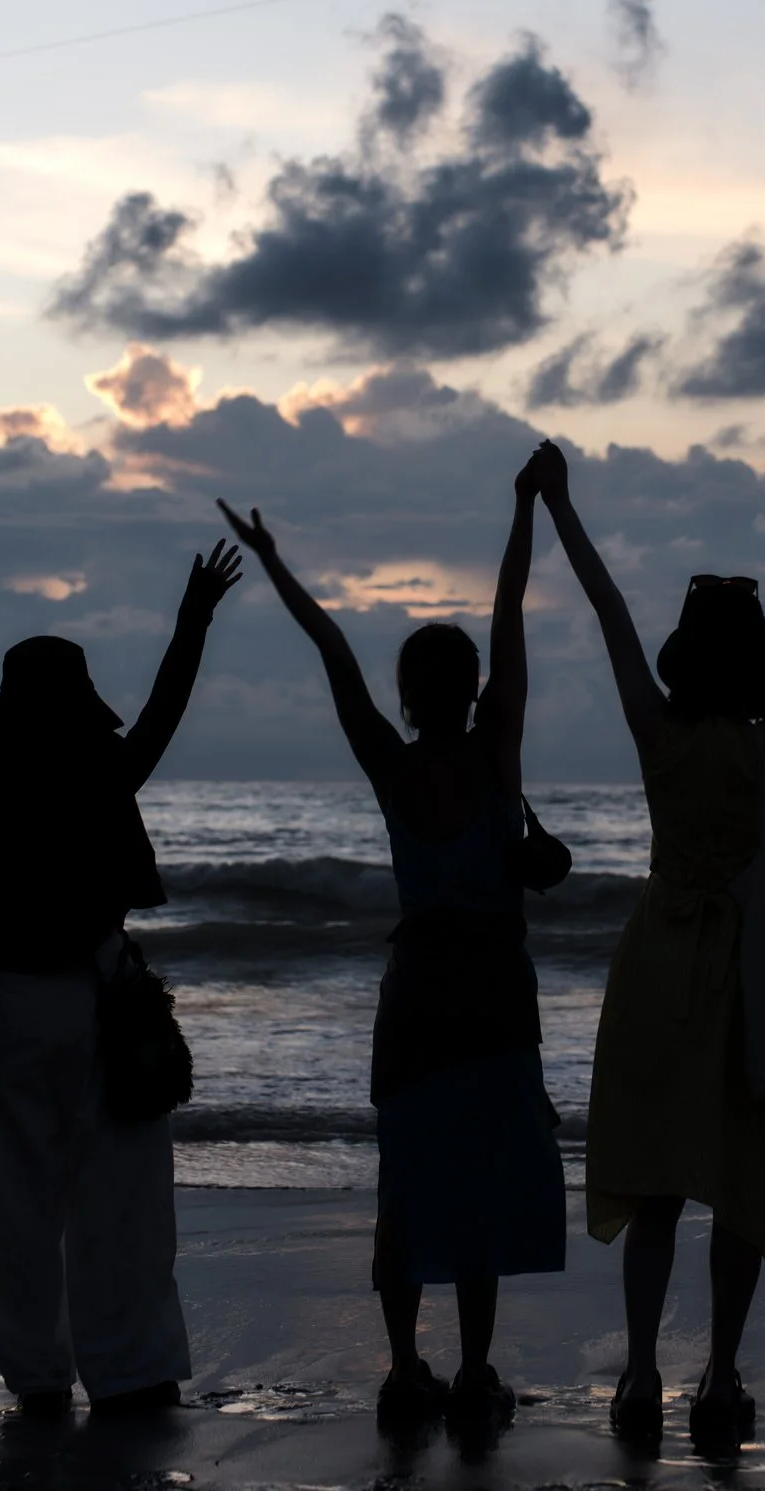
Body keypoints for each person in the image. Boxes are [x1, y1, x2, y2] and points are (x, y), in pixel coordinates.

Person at [536, 440, 765, 1444]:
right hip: (750, 977)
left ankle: (639, 1376)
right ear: (755, 666)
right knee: (741, 1187)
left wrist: (558, 508)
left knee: (658, 1186)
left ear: (685, 659)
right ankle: (717, 1378)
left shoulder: (658, 734)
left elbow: (608, 609)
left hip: (660, 963)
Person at [215, 449, 568, 1432]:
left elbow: (329, 645)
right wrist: (524, 508)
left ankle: (405, 1367)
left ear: (409, 696)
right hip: (495, 992)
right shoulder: (499, 752)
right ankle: (474, 1370)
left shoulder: (391, 763)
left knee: (409, 1185)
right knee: (487, 1185)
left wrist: (276, 561)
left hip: (417, 995)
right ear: (472, 688)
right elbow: (511, 612)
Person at [0, 541, 243, 1417]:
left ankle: (38, 1375)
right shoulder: (101, 771)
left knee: (12, 1202)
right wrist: (193, 617)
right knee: (122, 1194)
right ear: (77, 707)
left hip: (6, 1007)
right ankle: (129, 1369)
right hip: (94, 993)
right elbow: (161, 714)